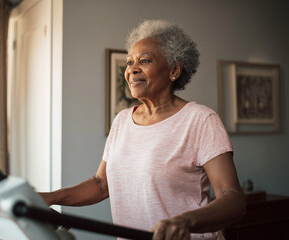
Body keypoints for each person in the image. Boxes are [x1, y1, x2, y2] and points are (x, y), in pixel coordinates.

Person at [40, 19, 246, 240]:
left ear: (174, 69)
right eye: (129, 63)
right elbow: (101, 185)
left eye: (144, 60)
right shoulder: (121, 121)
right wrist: (50, 198)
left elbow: (233, 198)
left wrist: (185, 221)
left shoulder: (200, 120)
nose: (132, 69)